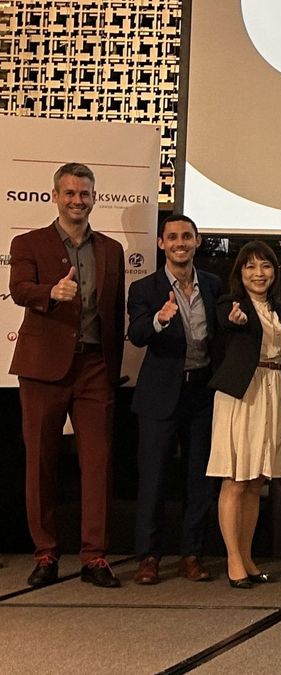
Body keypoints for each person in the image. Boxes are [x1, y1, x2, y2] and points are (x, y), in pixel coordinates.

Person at [9, 162, 125, 588]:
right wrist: (51, 293)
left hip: (94, 367)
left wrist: (112, 369)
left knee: (98, 463)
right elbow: (19, 289)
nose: (78, 200)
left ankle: (95, 556)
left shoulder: (111, 249)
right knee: (40, 461)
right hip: (42, 368)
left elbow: (115, 311)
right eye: (71, 193)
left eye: (85, 193)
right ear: (55, 196)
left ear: (94, 198)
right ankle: (46, 552)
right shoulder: (27, 242)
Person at [128, 214, 222, 584]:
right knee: (153, 478)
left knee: (199, 480)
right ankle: (148, 557)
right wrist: (159, 319)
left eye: (186, 236)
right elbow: (137, 334)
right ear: (161, 244)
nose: (179, 243)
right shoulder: (144, 288)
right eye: (172, 237)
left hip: (202, 393)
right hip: (159, 396)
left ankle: (191, 554)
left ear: (197, 241)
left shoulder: (213, 284)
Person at [206, 241, 281, 588]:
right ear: (239, 272)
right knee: (236, 479)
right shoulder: (229, 305)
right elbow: (228, 325)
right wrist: (236, 321)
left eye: (266, 266)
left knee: (256, 481)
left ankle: (246, 556)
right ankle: (233, 560)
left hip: (274, 392)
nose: (259, 274)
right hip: (242, 395)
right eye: (251, 267)